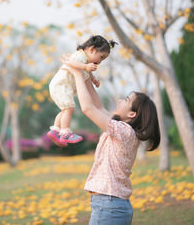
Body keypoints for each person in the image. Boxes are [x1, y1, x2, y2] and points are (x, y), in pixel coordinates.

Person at [62, 59, 161, 225]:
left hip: (109, 206)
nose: (120, 101)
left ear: (132, 115)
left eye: (126, 100)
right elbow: (98, 107)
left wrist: (77, 74)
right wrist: (86, 74)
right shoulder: (122, 129)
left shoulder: (124, 132)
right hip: (110, 205)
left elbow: (88, 109)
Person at [47, 35, 117, 147]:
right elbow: (72, 63)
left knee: (66, 110)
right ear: (92, 49)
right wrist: (85, 67)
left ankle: (55, 130)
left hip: (61, 87)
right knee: (69, 108)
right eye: (101, 57)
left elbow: (86, 71)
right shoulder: (80, 56)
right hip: (61, 86)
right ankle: (65, 132)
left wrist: (93, 78)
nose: (100, 61)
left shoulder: (84, 60)